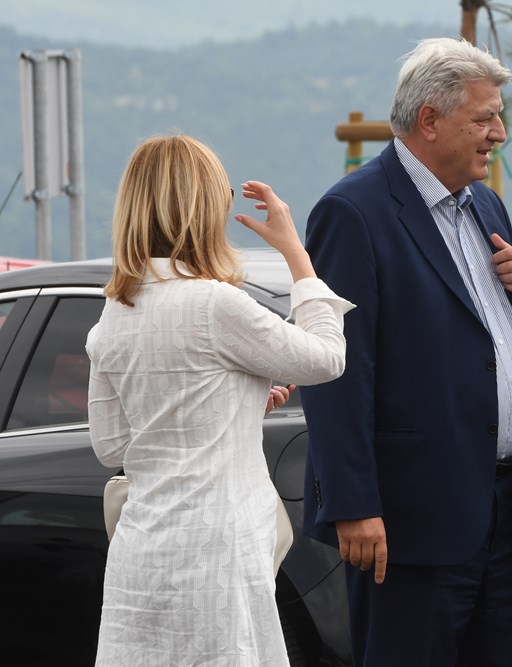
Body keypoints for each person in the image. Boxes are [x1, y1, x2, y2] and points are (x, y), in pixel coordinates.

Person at [298, 37, 512, 666]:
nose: (499, 133)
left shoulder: (485, 204)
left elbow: (494, 341)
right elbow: (335, 371)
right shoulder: (354, 212)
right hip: (408, 519)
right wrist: (354, 504)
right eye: (484, 118)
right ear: (429, 120)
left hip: (503, 512)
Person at [87, 134, 355, 666]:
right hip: (217, 547)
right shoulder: (215, 304)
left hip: (142, 548)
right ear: (203, 206)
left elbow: (112, 445)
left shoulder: (114, 313)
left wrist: (233, 403)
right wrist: (296, 254)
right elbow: (326, 358)